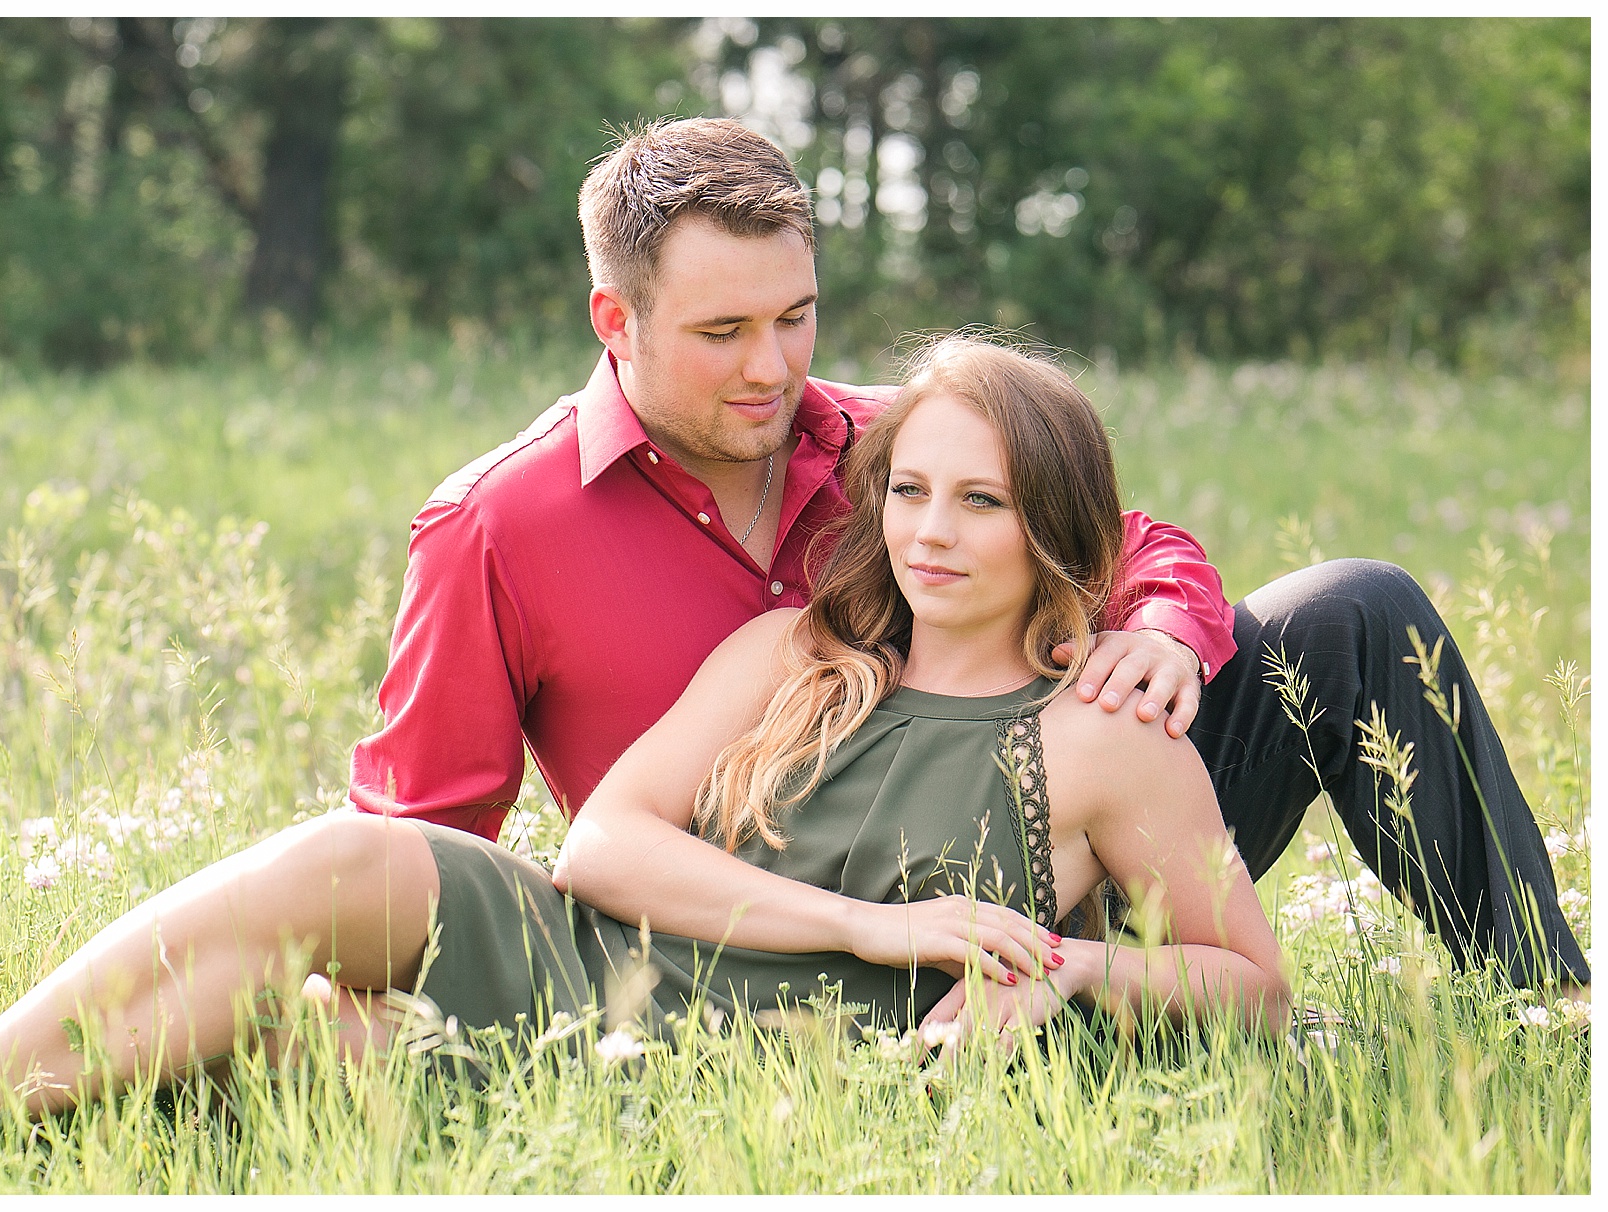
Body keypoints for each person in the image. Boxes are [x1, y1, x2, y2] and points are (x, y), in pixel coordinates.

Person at [0, 336, 1291, 1154]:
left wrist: (1073, 969)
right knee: (345, 864)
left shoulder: (1101, 739)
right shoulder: (797, 654)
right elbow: (600, 845)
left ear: (1057, 520)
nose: (930, 532)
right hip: (604, 961)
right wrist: (874, 918)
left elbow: (1253, 987)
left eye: (981, 502)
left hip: (736, 1071)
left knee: (276, 1043)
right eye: (910, 490)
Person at [348, 116, 1586, 992]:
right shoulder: (495, 529)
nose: (773, 368)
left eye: (796, 317)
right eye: (723, 332)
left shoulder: (897, 446)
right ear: (614, 321)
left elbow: (1129, 537)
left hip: (1049, 840)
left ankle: (1553, 1007)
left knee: (1353, 610)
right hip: (769, 940)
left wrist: (1158, 625)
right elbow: (416, 847)